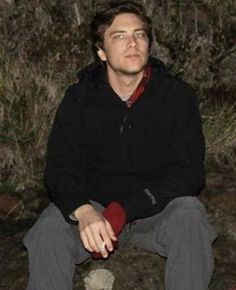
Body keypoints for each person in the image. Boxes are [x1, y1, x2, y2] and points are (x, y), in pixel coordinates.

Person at [23, 1, 217, 289]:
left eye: (140, 35)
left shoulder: (176, 96)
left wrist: (126, 208)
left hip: (156, 211)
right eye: (120, 36)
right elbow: (59, 169)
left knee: (191, 217)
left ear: (149, 44)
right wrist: (84, 211)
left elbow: (189, 173)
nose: (133, 44)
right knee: (48, 229)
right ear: (101, 51)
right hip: (95, 210)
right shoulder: (80, 99)